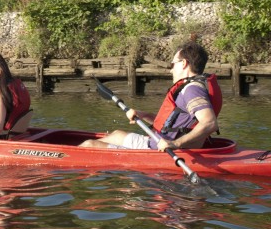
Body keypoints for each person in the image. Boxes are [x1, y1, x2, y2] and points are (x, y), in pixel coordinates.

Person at [79, 41, 222, 152]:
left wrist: (175, 144)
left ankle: (62, 156)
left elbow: (209, 123)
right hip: (155, 141)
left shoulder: (192, 90)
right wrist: (142, 114)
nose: (171, 69)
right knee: (116, 134)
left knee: (88, 145)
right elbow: (175, 123)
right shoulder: (189, 87)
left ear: (184, 63)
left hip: (159, 150)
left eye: (173, 64)